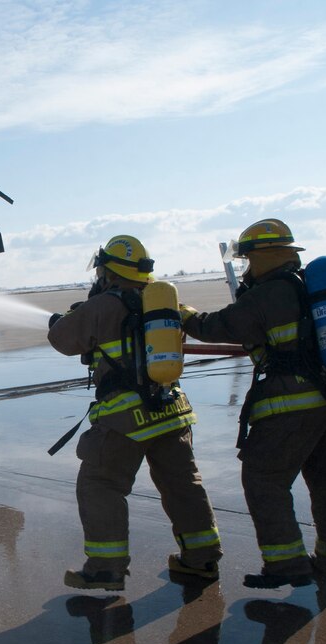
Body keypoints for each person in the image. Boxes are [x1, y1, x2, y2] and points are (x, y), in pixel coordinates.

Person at [180, 218, 326, 589]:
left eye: (248, 260)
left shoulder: (268, 293)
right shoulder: (310, 287)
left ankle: (287, 564)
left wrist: (182, 314)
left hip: (291, 404)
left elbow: (217, 327)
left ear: (264, 257)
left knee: (264, 479)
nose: (247, 268)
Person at [48, 235, 223, 592]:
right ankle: (202, 560)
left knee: (100, 485)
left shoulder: (102, 306)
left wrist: (67, 317)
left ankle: (105, 568)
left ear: (107, 271)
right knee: (183, 486)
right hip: (171, 411)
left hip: (125, 418)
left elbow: (62, 340)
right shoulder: (162, 299)